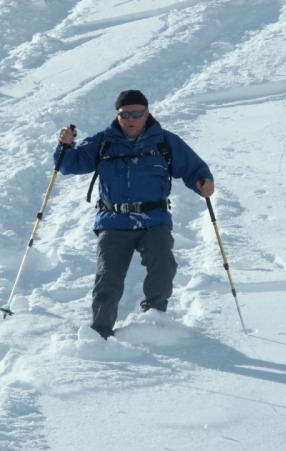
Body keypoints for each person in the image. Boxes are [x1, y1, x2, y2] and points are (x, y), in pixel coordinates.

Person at [55, 89, 214, 339]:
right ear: (117, 115)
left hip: (154, 219)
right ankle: (100, 333)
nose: (131, 119)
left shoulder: (164, 141)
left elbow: (193, 167)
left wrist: (203, 181)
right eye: (124, 114)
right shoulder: (103, 142)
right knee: (108, 278)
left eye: (137, 114)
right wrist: (65, 146)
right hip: (114, 221)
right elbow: (69, 165)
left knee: (163, 265)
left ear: (147, 113)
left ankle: (154, 319)